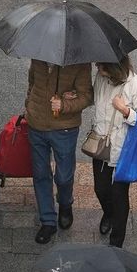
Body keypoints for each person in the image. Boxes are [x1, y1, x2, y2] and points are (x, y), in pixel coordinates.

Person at [25, 59, 93, 244]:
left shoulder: (80, 62)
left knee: (63, 175)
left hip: (65, 128)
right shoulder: (38, 55)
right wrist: (29, 106)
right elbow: (32, 83)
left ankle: (65, 203)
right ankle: (47, 220)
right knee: (40, 174)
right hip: (36, 125)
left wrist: (64, 105)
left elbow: (87, 96)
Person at [88, 56, 137, 247]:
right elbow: (94, 98)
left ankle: (116, 242)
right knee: (100, 189)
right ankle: (109, 214)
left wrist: (126, 111)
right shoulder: (101, 78)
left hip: (123, 150)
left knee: (119, 195)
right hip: (101, 144)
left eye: (101, 65)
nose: (97, 67)